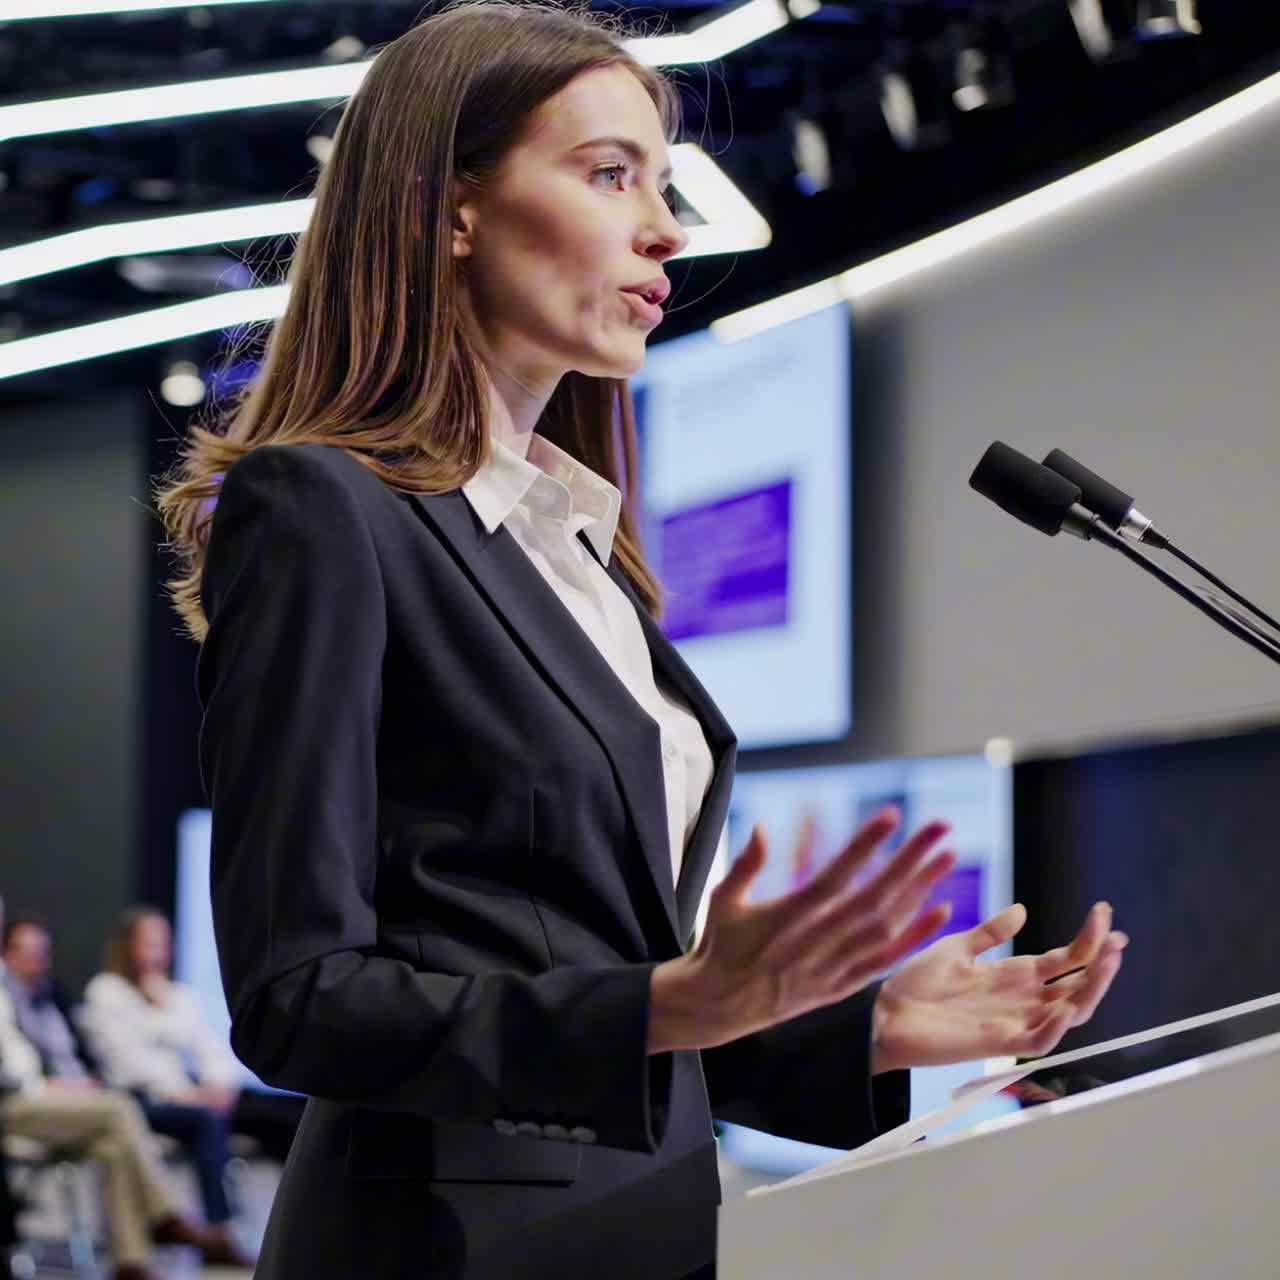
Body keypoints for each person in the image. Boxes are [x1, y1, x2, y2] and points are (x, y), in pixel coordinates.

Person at [153, 3, 1128, 1277]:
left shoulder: (582, 549)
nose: (666, 228)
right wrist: (671, 998)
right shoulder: (321, 507)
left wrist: (863, 1027)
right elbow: (299, 999)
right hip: (441, 1244)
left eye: (660, 186)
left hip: (644, 1225)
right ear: (449, 208)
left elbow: (600, 989)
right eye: (611, 174)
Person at [0, 915, 252, 1278]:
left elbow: (206, 1048)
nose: (37, 961)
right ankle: (167, 1216)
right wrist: (50, 1086)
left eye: (43, 953)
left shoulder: (49, 996)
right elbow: (16, 1068)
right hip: (20, 1102)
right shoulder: (96, 992)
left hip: (73, 1101)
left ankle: (131, 1263)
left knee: (115, 1146)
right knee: (121, 1106)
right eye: (27, 952)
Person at [80, 910, 304, 1229]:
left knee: (284, 1114)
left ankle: (299, 1213)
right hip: (147, 1100)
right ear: (127, 946)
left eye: (162, 943)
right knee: (208, 1120)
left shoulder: (178, 995)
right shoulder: (107, 992)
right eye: (148, 943)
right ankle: (218, 1227)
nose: (157, 952)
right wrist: (187, 1093)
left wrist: (218, 1086)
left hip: (198, 1092)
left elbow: (209, 1049)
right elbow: (125, 1064)